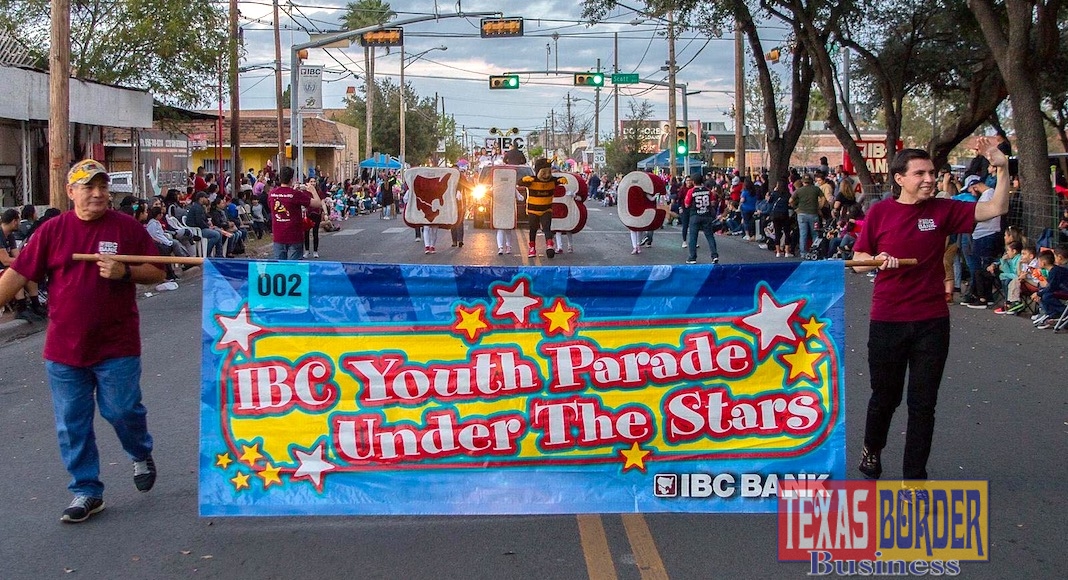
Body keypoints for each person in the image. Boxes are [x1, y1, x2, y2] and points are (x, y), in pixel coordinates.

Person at [0, 159, 165, 523]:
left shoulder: (126, 228)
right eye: (88, 186)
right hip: (64, 350)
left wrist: (125, 272)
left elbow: (157, 270)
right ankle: (86, 489)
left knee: (122, 410)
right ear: (70, 191)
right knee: (72, 423)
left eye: (102, 186)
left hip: (117, 345)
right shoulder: (52, 231)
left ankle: (140, 452)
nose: (97, 193)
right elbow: (16, 275)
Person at [850, 138, 1009, 482]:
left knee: (923, 404)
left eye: (932, 173)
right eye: (919, 173)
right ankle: (872, 448)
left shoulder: (944, 209)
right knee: (885, 397)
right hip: (888, 320)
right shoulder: (880, 212)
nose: (928, 179)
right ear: (899, 178)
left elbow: (995, 208)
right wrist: (878, 261)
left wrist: (1003, 166)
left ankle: (914, 478)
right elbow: (859, 262)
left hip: (931, 321)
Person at [269, 166, 322, 260]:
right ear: (291, 179)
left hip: (278, 235)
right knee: (294, 267)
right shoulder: (295, 194)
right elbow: (317, 203)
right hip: (294, 235)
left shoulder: (272, 194)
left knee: (280, 266)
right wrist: (313, 190)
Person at [519, 158, 564, 259]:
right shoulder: (532, 180)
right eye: (544, 172)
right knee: (533, 229)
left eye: (549, 172)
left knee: (547, 228)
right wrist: (523, 180)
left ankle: (549, 244)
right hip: (533, 210)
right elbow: (519, 182)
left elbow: (558, 180)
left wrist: (561, 180)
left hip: (546, 209)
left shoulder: (552, 180)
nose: (547, 175)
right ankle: (532, 247)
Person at [684, 173, 720, 265]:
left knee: (693, 237)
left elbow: (687, 204)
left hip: (695, 215)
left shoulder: (691, 191)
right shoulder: (708, 191)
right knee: (709, 236)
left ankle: (692, 257)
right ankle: (714, 256)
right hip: (706, 215)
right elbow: (712, 202)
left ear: (693, 181)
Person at [790, 175, 823, 257]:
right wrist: (819, 207)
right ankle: (815, 251)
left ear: (803, 181)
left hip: (801, 214)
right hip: (813, 214)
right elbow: (823, 198)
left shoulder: (799, 190)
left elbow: (790, 200)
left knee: (803, 234)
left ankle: (803, 253)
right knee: (815, 233)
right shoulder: (816, 189)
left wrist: (796, 208)